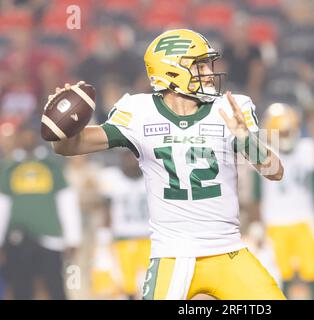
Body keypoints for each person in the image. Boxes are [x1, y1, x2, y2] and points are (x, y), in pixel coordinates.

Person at [46, 29, 285, 300]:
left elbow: (274, 171)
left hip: (228, 251)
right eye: (200, 64)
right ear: (172, 71)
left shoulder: (231, 107)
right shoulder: (139, 112)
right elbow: (67, 146)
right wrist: (62, 123)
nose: (209, 71)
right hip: (172, 255)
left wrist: (245, 138)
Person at [0, 123, 82, 300]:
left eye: (31, 134)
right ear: (19, 137)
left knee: (56, 289)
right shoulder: (9, 167)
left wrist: (73, 237)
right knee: (21, 289)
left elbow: (66, 200)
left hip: (50, 238)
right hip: (18, 239)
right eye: (25, 134)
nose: (28, 138)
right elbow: (2, 204)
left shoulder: (52, 164)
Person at [254, 103, 314, 299]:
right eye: (281, 133)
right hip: (275, 222)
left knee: (313, 274)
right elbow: (256, 193)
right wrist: (256, 222)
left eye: (288, 132)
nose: (286, 137)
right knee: (278, 276)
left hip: (304, 219)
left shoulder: (307, 148)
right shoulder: (263, 151)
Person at [98, 150, 151, 299]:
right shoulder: (112, 178)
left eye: (134, 158)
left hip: (149, 237)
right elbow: (106, 207)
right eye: (127, 158)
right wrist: (104, 232)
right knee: (126, 284)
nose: (131, 162)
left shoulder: (151, 177)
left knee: (151, 282)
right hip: (122, 238)